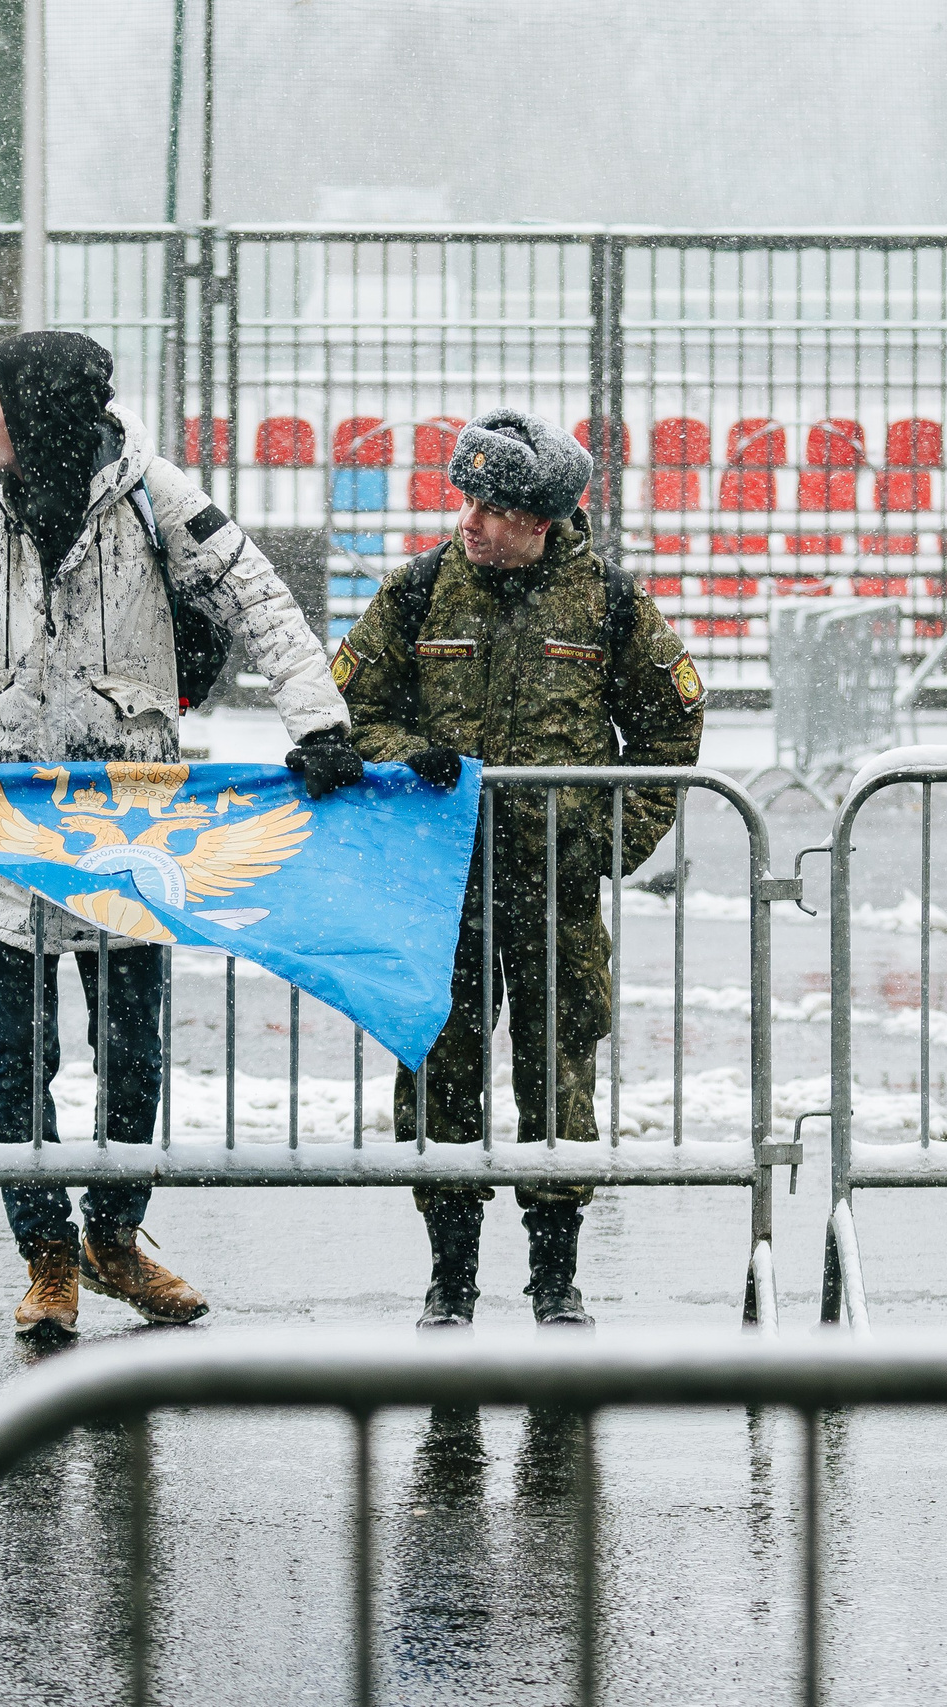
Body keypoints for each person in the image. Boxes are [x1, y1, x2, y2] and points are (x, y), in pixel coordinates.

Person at [0, 330, 361, 1340]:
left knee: (130, 1053)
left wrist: (318, 726)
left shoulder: (152, 495)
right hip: (12, 822)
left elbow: (261, 601)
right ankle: (48, 1260)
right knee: (21, 1058)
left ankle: (118, 1241)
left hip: (132, 822)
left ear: (40, 409)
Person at [337, 409, 705, 1329]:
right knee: (438, 1073)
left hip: (554, 886)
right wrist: (407, 756)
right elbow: (352, 708)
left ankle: (555, 1278)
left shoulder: (608, 602)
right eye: (466, 499)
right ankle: (450, 1275)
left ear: (541, 520)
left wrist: (612, 837)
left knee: (557, 1076)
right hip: (443, 885)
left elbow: (671, 728)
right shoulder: (421, 592)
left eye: (494, 508)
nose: (471, 520)